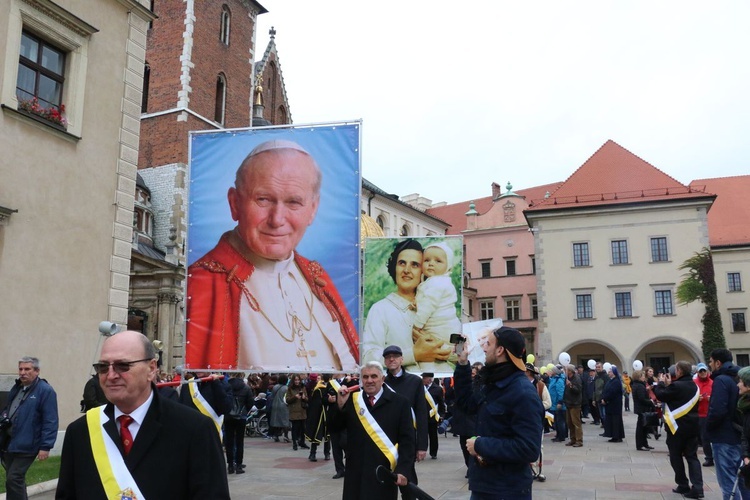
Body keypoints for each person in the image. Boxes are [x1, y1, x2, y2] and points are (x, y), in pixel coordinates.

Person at [186, 140, 358, 372]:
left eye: (294, 202)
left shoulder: (317, 278)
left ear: (313, 210)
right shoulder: (201, 282)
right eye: (263, 199)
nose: (277, 219)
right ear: (235, 203)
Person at [56, 331, 229, 499]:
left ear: (151, 369)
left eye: (122, 365)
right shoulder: (80, 431)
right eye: (103, 367)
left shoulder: (195, 429)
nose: (111, 375)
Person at [453, 326, 543, 499]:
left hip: (507, 490)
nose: (483, 347)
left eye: (488, 343)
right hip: (484, 484)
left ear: (500, 350)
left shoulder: (522, 392)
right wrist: (463, 363)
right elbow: (466, 404)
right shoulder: (493, 383)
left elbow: (529, 448)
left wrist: (480, 445)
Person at [330, 361, 416, 500]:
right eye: (365, 377)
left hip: (383, 472)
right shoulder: (352, 400)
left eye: (374, 376)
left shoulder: (400, 403)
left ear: (382, 379)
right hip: (356, 471)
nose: (369, 381)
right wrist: (340, 405)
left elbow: (408, 441)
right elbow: (334, 428)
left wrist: (404, 470)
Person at [362, 239, 451, 370]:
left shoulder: (439, 306)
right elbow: (368, 358)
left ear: (424, 271)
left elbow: (454, 352)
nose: (407, 270)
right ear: (395, 268)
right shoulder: (380, 309)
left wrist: (457, 346)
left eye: (415, 264)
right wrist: (413, 354)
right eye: (402, 263)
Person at [0, 357, 58, 500]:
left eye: (27, 369)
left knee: (14, 478)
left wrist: (46, 446)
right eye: (20, 369)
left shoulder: (45, 391)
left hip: (28, 443)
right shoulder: (17, 387)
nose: (23, 372)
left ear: (37, 371)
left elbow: (51, 420)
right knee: (13, 479)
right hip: (9, 442)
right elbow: (8, 409)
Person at [383, 345, 428, 499]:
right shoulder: (380, 382)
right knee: (385, 482)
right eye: (388, 357)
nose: (391, 359)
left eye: (395, 356)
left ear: (402, 359)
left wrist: (422, 445)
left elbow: (422, 414)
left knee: (407, 482)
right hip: (385, 440)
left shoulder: (414, 381)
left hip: (407, 440)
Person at [653, 360, 704, 499]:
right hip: (692, 426)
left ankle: (682, 484)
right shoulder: (694, 386)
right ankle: (698, 487)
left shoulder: (676, 386)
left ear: (680, 371)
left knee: (676, 456)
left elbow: (661, 395)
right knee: (692, 457)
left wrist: (661, 383)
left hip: (676, 427)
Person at [707, 348, 750, 499]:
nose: (710, 365)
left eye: (711, 362)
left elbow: (717, 410)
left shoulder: (721, 380)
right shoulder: (740, 376)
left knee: (728, 483)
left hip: (724, 436)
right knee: (744, 480)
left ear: (718, 363)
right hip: (742, 435)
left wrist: (708, 428)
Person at [411, 242, 461, 372]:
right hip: (451, 326)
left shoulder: (436, 283)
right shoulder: (440, 282)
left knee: (436, 349)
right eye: (427, 260)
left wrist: (416, 325)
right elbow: (426, 300)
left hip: (441, 327)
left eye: (438, 261)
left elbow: (428, 306)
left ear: (448, 266)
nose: (431, 263)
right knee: (452, 346)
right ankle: (457, 354)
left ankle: (453, 355)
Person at [178, 371, 232, 441]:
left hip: (211, 435)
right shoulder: (188, 384)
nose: (198, 369)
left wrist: (216, 384)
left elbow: (226, 408)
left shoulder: (221, 384)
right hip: (191, 434)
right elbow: (181, 410)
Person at [225, 373, 254, 474]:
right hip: (241, 417)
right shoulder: (246, 388)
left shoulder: (226, 386)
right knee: (239, 441)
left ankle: (230, 465)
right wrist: (244, 411)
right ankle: (238, 465)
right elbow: (250, 402)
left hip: (228, 416)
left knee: (229, 441)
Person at [305, 373, 332, 464]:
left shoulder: (331, 387)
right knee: (317, 434)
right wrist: (327, 400)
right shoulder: (319, 389)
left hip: (328, 414)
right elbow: (316, 404)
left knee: (327, 435)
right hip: (320, 415)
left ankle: (327, 453)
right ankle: (312, 453)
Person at [694, 363, 714, 467]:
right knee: (704, 437)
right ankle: (709, 458)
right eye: (700, 371)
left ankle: (714, 456)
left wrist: (712, 399)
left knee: (713, 437)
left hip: (711, 413)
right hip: (699, 413)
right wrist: (697, 399)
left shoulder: (712, 383)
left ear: (707, 372)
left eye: (704, 371)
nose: (702, 373)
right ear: (697, 372)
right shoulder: (694, 383)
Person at [422, 372, 445, 459]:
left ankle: (433, 452)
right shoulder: (421, 388)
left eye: (424, 378)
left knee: (433, 436)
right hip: (422, 416)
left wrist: (442, 415)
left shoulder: (438, 389)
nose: (422, 379)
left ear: (429, 379)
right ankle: (422, 452)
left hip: (432, 416)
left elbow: (441, 403)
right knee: (422, 436)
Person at [631, 370, 656, 451]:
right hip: (642, 408)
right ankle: (640, 445)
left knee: (644, 428)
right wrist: (651, 402)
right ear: (638, 377)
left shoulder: (638, 385)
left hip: (641, 408)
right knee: (641, 428)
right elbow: (642, 399)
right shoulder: (639, 386)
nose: (644, 377)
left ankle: (644, 444)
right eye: (642, 376)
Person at [286, 374, 309, 453]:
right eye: (295, 380)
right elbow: (287, 400)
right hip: (294, 411)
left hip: (302, 411)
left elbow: (307, 398)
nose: (297, 381)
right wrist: (295, 397)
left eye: (298, 380)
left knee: (303, 428)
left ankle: (302, 442)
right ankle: (294, 443)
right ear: (293, 380)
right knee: (295, 428)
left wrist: (304, 397)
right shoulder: (290, 389)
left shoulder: (303, 387)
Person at [601, 365, 625, 442]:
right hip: (610, 404)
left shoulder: (616, 381)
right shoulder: (611, 380)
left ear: (614, 373)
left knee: (616, 421)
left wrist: (605, 399)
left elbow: (612, 392)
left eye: (610, 371)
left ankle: (617, 436)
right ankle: (614, 435)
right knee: (612, 421)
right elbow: (606, 390)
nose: (608, 373)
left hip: (615, 405)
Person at [564, 364, 583, 447]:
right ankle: (572, 439)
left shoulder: (576, 379)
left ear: (570, 371)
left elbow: (578, 390)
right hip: (568, 403)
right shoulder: (568, 378)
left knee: (576, 423)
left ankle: (579, 440)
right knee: (570, 423)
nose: (565, 371)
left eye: (566, 370)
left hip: (575, 403)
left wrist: (570, 385)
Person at [738, 366, 750, 492]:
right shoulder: (745, 405)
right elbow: (745, 434)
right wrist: (746, 456)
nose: (738, 384)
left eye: (741, 381)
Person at [269, 374, 291, 443]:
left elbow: (272, 396)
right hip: (284, 406)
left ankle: (276, 435)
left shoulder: (275, 387)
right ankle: (286, 436)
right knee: (285, 421)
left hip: (275, 405)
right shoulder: (286, 388)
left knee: (276, 420)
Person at [548, 366, 567, 442]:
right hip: (554, 404)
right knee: (556, 421)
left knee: (560, 421)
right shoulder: (554, 379)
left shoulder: (559, 380)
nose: (550, 371)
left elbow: (560, 392)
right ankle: (558, 435)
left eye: (551, 370)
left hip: (558, 404)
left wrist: (560, 402)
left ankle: (561, 436)